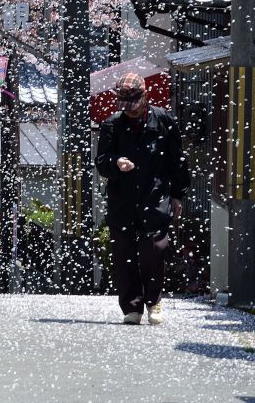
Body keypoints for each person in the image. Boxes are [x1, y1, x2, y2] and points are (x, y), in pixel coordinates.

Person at [95, 72, 190, 325]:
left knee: (154, 250)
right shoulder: (111, 125)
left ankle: (154, 301)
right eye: (124, 107)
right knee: (124, 253)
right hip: (122, 198)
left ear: (145, 97)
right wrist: (116, 163)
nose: (130, 111)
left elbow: (177, 160)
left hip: (155, 193)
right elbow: (101, 162)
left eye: (133, 106)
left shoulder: (163, 121)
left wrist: (178, 194)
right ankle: (132, 306)